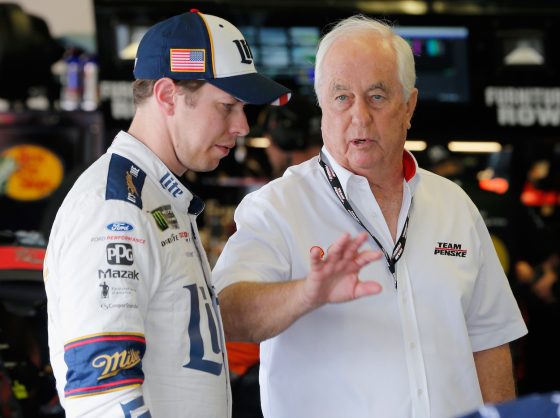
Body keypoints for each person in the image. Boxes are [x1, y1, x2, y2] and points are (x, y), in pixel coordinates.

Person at [212, 14, 528, 418]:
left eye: (377, 96)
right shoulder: (277, 207)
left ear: (409, 106)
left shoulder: (455, 206)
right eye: (341, 97)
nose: (359, 116)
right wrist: (306, 293)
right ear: (322, 105)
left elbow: (490, 341)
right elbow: (223, 313)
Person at [43, 9, 290, 418]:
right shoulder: (114, 209)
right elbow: (103, 397)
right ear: (167, 95)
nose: (243, 126)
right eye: (227, 106)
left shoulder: (153, 194)